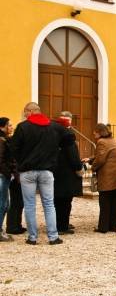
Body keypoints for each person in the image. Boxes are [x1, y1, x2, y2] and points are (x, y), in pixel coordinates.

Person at [11, 102, 70, 245]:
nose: (24, 115)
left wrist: (21, 161)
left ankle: (32, 238)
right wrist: (55, 150)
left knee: (30, 205)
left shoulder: (23, 127)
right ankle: (53, 237)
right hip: (47, 171)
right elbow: (69, 138)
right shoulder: (53, 126)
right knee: (49, 204)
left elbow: (14, 148)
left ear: (30, 112)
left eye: (25, 112)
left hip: (28, 171)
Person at [53, 111, 83, 235]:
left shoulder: (53, 134)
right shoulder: (68, 136)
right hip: (66, 174)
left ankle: (58, 224)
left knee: (57, 201)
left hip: (56, 172)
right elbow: (73, 156)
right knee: (65, 202)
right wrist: (79, 168)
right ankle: (62, 226)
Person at [90, 124, 116, 233]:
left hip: (107, 176)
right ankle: (113, 226)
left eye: (95, 132)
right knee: (113, 203)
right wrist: (91, 159)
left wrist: (93, 167)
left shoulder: (101, 142)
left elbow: (100, 159)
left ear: (100, 132)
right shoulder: (112, 140)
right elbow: (105, 155)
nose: (93, 134)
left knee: (104, 203)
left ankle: (103, 227)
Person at [0, 117, 15, 242]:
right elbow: (1, 160)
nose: (11, 127)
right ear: (2, 127)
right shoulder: (1, 140)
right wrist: (8, 173)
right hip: (2, 176)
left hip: (4, 175)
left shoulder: (5, 139)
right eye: (9, 125)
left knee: (6, 204)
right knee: (2, 204)